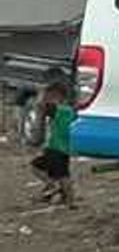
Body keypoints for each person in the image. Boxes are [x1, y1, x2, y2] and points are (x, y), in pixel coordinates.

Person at [29, 80, 76, 208]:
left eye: (49, 95)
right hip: (65, 148)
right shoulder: (71, 111)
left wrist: (41, 92)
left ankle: (52, 186)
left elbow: (40, 106)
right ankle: (69, 201)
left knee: (35, 167)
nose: (47, 98)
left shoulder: (56, 109)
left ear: (56, 95)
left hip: (54, 147)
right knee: (63, 175)